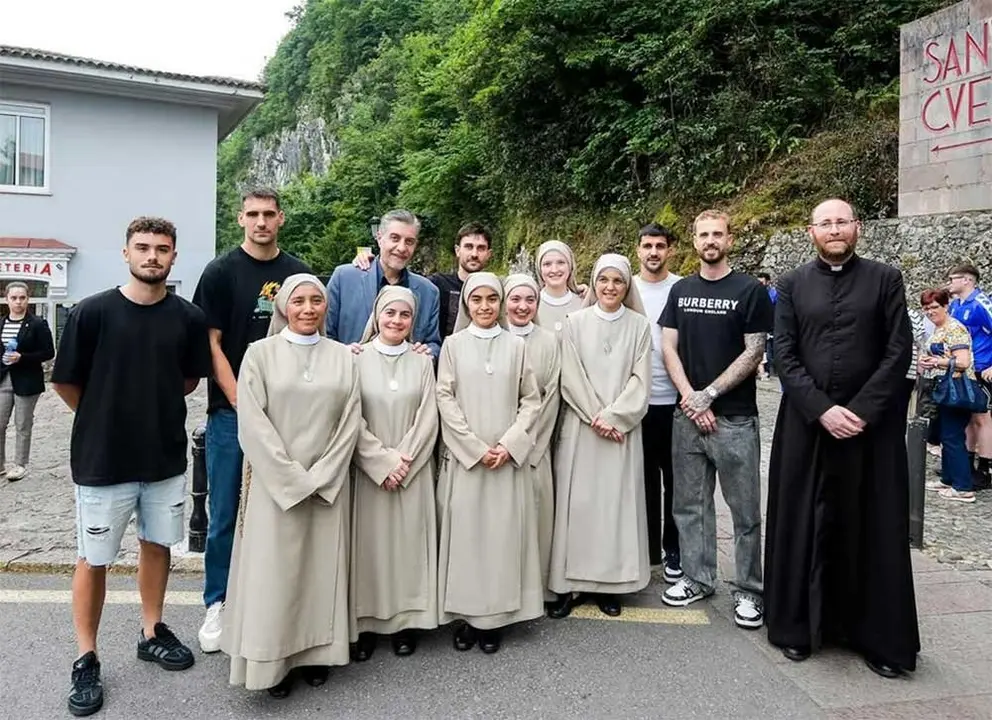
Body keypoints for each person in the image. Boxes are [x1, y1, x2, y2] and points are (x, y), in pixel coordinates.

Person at [52, 217, 211, 717]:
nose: (152, 256)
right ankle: (86, 657)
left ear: (173, 256)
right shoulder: (92, 313)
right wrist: (103, 416)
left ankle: (151, 630)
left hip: (163, 457)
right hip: (103, 460)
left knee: (156, 546)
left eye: (162, 248)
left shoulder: (188, 318)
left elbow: (188, 380)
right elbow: (66, 382)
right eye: (142, 247)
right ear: (126, 253)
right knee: (93, 558)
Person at [764, 198, 919, 679]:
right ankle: (798, 628)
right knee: (803, 523)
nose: (834, 229)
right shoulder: (792, 284)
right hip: (807, 424)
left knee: (873, 527)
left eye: (842, 222)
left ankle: (877, 638)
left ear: (857, 228)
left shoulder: (885, 279)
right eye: (825, 223)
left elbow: (898, 350)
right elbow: (784, 354)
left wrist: (861, 411)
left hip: (871, 429)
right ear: (811, 232)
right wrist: (822, 409)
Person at [222, 274, 360, 698]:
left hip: (327, 484)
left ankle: (316, 654)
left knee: (320, 572)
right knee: (274, 574)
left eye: (316, 300)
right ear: (283, 306)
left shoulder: (342, 356)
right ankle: (272, 663)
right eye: (298, 301)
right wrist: (292, 479)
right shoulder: (259, 354)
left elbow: (350, 421)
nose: (307, 309)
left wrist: (321, 475)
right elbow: (253, 424)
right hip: (273, 485)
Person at [192, 187, 311, 654]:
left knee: (284, 505)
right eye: (253, 214)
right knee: (225, 510)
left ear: (281, 218)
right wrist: (241, 400)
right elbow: (211, 343)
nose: (261, 222)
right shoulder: (220, 272)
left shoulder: (297, 272)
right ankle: (218, 602)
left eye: (269, 214)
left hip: (288, 415)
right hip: (232, 414)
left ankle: (279, 597)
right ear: (241, 219)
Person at [660, 210, 771, 632]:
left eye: (717, 234)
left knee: (744, 511)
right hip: (687, 416)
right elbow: (668, 347)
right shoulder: (681, 290)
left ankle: (749, 590)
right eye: (703, 234)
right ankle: (698, 578)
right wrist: (691, 397)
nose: (710, 240)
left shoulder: (749, 290)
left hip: (735, 419)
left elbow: (754, 351)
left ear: (729, 239)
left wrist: (710, 394)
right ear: (694, 240)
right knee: (690, 506)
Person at [435, 272, 543, 653]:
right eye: (477, 299)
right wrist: (474, 448)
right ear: (467, 303)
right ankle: (468, 617)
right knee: (468, 539)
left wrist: (509, 445)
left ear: (500, 303)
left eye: (491, 299)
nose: (484, 306)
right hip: (469, 462)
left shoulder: (516, 346)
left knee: (501, 539)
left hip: (504, 461)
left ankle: (495, 619)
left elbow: (531, 401)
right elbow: (444, 398)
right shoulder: (453, 345)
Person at [548, 254, 652, 619]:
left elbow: (641, 380)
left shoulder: (639, 326)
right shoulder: (574, 322)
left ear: (627, 286)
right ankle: (570, 585)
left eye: (618, 281)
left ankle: (610, 585)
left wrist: (614, 418)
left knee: (615, 507)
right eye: (603, 280)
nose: (610, 287)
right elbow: (569, 375)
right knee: (577, 507)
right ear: (593, 283)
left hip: (621, 431)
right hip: (582, 427)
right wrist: (596, 416)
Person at [349, 286, 440, 661]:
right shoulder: (355, 359)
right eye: (390, 313)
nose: (396, 321)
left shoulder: (422, 362)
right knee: (369, 550)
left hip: (411, 471)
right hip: (370, 473)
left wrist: (404, 462)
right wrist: (381, 463)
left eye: (405, 315)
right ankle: (367, 624)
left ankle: (406, 622)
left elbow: (428, 416)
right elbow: (350, 418)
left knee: (407, 548)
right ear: (377, 315)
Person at [503, 273, 561, 608]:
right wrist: (503, 445)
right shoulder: (492, 338)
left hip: (534, 449)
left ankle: (535, 592)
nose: (522, 306)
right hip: (497, 449)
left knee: (536, 521)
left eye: (530, 300)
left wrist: (526, 446)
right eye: (515, 299)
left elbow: (550, 398)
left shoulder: (549, 342)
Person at [631, 224, 683, 582]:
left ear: (670, 250)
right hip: (638, 402)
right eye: (647, 245)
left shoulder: (682, 288)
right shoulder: (626, 287)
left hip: (674, 399)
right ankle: (648, 550)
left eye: (660, 246)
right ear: (637, 250)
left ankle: (673, 549)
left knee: (677, 481)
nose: (653, 252)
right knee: (643, 479)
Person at [352, 222, 493, 343]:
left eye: (481, 248)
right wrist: (371, 262)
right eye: (468, 247)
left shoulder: (496, 291)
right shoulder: (436, 285)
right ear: (457, 250)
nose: (474, 254)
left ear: (489, 254)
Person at [325, 209, 441, 358]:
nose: (401, 248)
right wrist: (343, 353)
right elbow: (325, 334)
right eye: (395, 238)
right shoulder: (344, 278)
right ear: (379, 238)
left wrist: (427, 352)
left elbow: (433, 343)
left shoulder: (428, 292)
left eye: (409, 241)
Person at [920, 288, 980, 503]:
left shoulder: (954, 328)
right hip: (944, 387)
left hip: (956, 388)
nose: (930, 312)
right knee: (946, 435)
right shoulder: (940, 328)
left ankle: (963, 487)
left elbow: (963, 361)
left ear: (946, 306)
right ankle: (948, 479)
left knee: (953, 437)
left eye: (934, 307)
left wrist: (936, 361)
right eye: (926, 308)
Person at [0, 281, 54, 482]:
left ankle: (20, 464)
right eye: (14, 298)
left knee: (22, 424)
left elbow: (48, 352)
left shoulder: (38, 324)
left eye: (22, 297)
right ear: (6, 299)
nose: (18, 302)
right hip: (3, 379)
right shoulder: (1, 323)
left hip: (27, 380)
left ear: (28, 299)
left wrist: (22, 357)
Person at [947, 264, 992, 490]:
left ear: (967, 280)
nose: (949, 283)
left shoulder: (982, 303)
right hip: (965, 368)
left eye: (952, 279)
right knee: (968, 418)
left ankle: (985, 469)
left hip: (983, 367)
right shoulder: (956, 305)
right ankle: (966, 465)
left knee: (983, 418)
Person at [535, 240, 585, 333]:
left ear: (570, 266)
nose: (554, 270)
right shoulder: (531, 306)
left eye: (561, 262)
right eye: (547, 264)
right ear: (540, 269)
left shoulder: (583, 304)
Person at [756, 272, 778, 379]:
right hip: (760, 324)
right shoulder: (756, 293)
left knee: (771, 348)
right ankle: (764, 371)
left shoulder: (774, 294)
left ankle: (772, 370)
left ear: (768, 282)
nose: (760, 285)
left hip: (772, 325)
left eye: (762, 282)